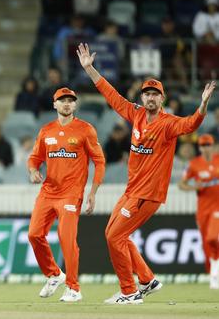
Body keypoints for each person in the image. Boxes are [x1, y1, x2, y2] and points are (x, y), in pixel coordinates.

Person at [76, 42, 216, 304]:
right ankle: (147, 279)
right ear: (142, 98)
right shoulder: (136, 114)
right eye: (147, 94)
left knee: (114, 236)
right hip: (132, 191)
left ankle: (129, 292)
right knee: (115, 233)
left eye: (155, 94)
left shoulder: (168, 124)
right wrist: (90, 69)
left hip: (148, 194)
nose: (150, 97)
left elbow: (191, 124)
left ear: (162, 98)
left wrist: (203, 105)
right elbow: (112, 96)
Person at [27, 87, 105, 302]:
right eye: (62, 100)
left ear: (75, 105)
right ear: (54, 105)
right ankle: (53, 274)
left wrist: (93, 192)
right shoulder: (46, 131)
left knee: (66, 238)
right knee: (34, 234)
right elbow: (34, 158)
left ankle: (74, 288)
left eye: (70, 100)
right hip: (48, 192)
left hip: (71, 194)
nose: (67, 103)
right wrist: (33, 171)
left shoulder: (85, 129)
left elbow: (99, 161)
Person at [178, 134, 219, 289]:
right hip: (203, 209)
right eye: (203, 145)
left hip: (217, 208)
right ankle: (213, 273)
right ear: (200, 147)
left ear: (213, 146)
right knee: (206, 243)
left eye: (208, 145)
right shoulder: (194, 164)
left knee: (212, 238)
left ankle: (216, 265)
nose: (206, 148)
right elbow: (182, 184)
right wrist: (195, 187)